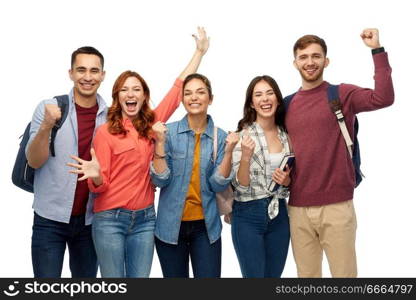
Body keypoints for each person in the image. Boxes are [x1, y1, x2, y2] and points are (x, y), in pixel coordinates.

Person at [67, 27, 210, 278]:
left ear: (144, 96)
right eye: (124, 89)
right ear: (117, 97)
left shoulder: (151, 125)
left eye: (136, 89)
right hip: (110, 220)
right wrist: (96, 175)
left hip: (145, 220)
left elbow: (177, 92)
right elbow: (98, 187)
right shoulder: (105, 133)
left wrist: (199, 52)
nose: (130, 94)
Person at [285, 28, 394, 277]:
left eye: (316, 56)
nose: (310, 62)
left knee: (344, 279)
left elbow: (383, 98)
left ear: (326, 60)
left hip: (337, 206)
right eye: (303, 57)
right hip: (298, 208)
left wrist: (376, 50)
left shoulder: (341, 94)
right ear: (295, 63)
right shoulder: (287, 104)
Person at [26, 46, 106, 277]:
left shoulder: (110, 117)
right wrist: (46, 126)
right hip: (49, 220)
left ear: (102, 75)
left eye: (94, 70)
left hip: (91, 222)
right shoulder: (49, 108)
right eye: (81, 70)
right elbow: (34, 161)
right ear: (71, 73)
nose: (88, 77)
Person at [150, 73, 239, 278]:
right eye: (188, 93)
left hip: (206, 228)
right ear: (182, 100)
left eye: (200, 92)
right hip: (169, 227)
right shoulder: (168, 132)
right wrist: (160, 143)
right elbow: (160, 179)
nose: (194, 97)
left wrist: (228, 153)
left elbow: (217, 185)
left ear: (211, 98)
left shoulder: (221, 136)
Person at [230, 75, 291, 278]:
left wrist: (287, 181)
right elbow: (241, 186)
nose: (265, 99)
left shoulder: (286, 135)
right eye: (258, 95)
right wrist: (246, 157)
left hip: (280, 214)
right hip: (248, 214)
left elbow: (292, 180)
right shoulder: (242, 136)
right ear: (252, 104)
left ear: (278, 99)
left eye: (269, 93)